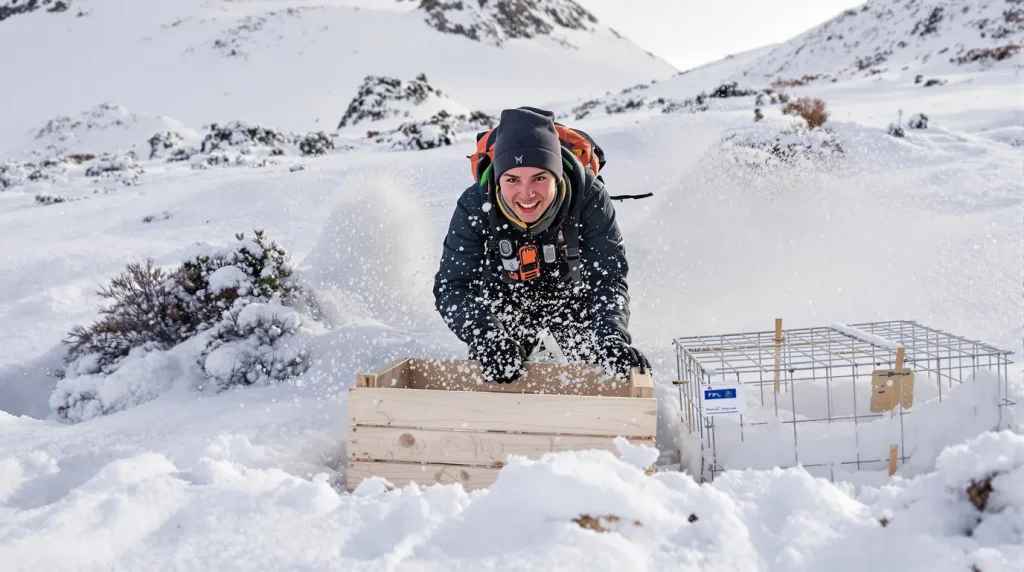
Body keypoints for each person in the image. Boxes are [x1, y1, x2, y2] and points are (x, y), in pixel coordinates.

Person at [432, 106, 650, 383]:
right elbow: (453, 287)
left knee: (595, 374)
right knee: (500, 374)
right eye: (512, 180)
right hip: (505, 299)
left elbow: (606, 278)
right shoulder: (474, 204)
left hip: (572, 297)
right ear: (498, 181)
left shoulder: (590, 197)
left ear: (557, 176)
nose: (526, 194)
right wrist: (487, 337)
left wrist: (611, 336)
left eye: (539, 178)